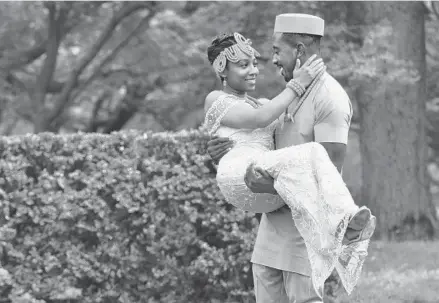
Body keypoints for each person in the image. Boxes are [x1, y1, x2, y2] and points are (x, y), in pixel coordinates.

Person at [205, 14, 375, 302]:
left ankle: (347, 223)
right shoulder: (287, 93)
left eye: (275, 51)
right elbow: (258, 146)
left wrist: (270, 186)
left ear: (298, 51)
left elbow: (331, 169)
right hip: (270, 233)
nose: (270, 61)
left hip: (304, 237)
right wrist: (221, 154)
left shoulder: (329, 97)